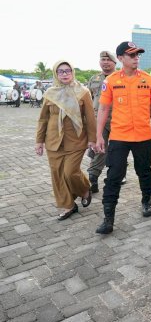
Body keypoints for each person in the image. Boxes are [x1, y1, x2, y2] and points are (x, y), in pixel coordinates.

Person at [95, 41, 151, 234]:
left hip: (142, 135)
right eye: (132, 55)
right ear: (121, 58)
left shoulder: (149, 79)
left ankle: (146, 200)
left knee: (144, 171)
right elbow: (103, 108)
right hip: (119, 136)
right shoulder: (111, 81)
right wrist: (99, 135)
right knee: (114, 176)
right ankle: (108, 218)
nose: (136, 58)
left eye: (137, 55)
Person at [35, 60, 96, 220]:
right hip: (53, 140)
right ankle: (67, 205)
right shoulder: (49, 93)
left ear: (72, 72)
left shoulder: (83, 92)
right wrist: (39, 141)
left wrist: (92, 140)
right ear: (56, 73)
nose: (64, 74)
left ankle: (84, 189)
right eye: (61, 71)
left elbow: (90, 118)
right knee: (57, 175)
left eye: (67, 70)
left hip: (76, 140)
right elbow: (43, 119)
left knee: (70, 172)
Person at [87, 51, 121, 193]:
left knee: (117, 151)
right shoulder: (94, 79)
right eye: (103, 59)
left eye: (108, 59)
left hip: (117, 120)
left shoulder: (121, 77)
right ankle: (93, 179)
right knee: (98, 150)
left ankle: (116, 176)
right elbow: (88, 100)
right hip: (98, 120)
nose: (105, 62)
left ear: (115, 62)